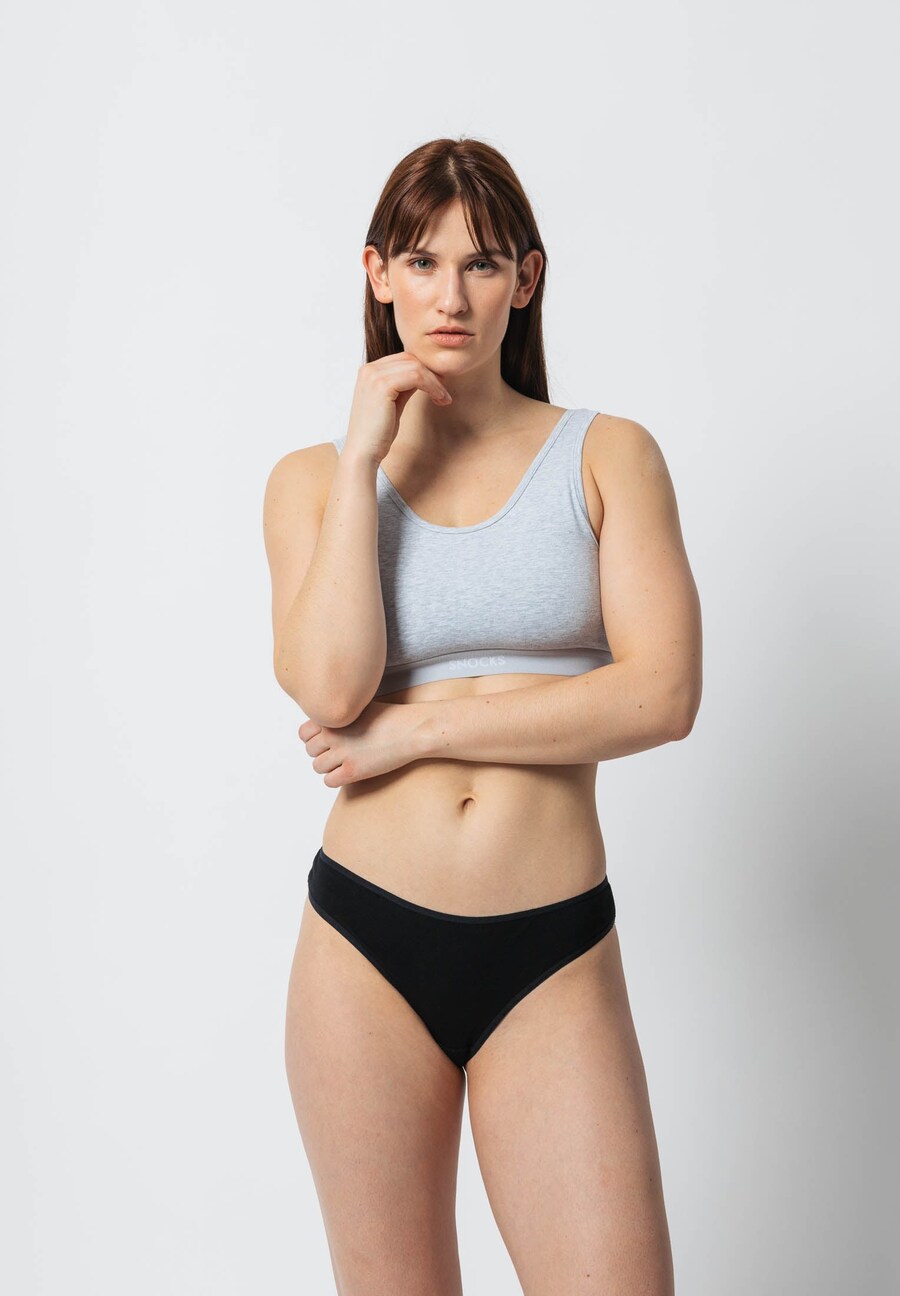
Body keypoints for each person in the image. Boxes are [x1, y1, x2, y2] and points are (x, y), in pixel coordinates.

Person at [263, 136, 702, 1295]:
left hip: (551, 948)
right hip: (363, 949)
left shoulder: (608, 457)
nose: (449, 296)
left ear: (527, 278)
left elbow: (663, 695)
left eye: (482, 263)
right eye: (421, 262)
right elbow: (332, 690)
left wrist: (418, 732)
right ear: (377, 274)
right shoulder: (312, 482)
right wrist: (364, 458)